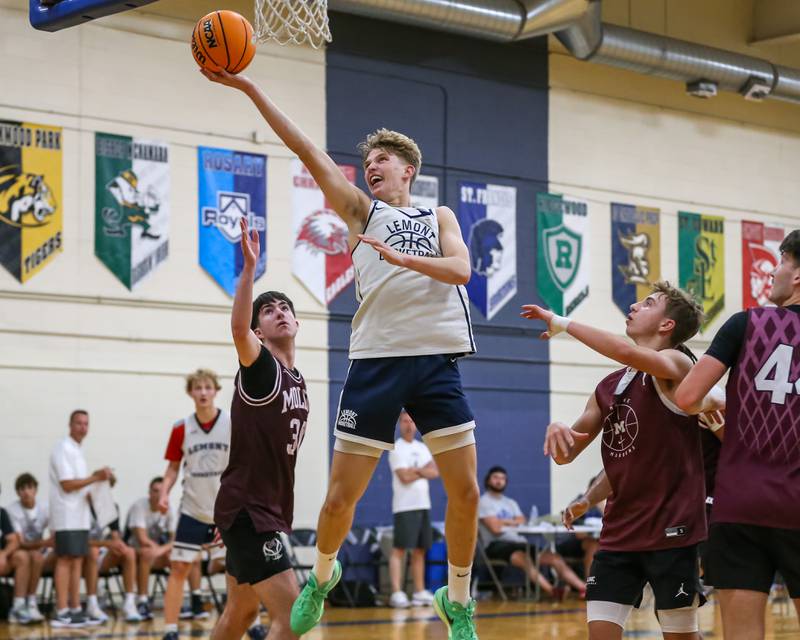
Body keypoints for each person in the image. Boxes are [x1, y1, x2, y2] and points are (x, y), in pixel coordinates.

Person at [203, 67, 481, 640]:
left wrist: (405, 261)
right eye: (368, 160)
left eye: (382, 159)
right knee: (338, 499)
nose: (371, 166)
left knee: (467, 491)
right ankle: (321, 581)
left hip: (435, 362)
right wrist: (253, 87)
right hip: (376, 362)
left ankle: (458, 602)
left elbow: (461, 270)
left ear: (409, 169)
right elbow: (307, 149)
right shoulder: (361, 212)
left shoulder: (440, 216)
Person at [523, 281, 724, 640]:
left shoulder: (679, 363)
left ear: (667, 325)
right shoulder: (608, 388)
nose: (634, 305)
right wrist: (559, 433)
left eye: (648, 303)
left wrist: (562, 322)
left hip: (672, 529)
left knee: (680, 635)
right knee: (600, 632)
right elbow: (570, 455)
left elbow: (623, 352)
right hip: (619, 532)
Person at [676, 229, 800, 639]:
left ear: (797, 274)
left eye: (781, 262)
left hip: (739, 506)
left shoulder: (746, 323)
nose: (775, 272)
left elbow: (688, 396)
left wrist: (726, 404)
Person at [210, 217, 309, 640]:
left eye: (284, 307)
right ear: (258, 332)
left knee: (241, 613)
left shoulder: (298, 380)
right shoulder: (261, 369)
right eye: (268, 311)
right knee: (295, 617)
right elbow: (236, 329)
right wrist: (249, 270)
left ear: (296, 322)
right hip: (252, 513)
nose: (279, 313)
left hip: (254, 509)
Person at [159, 369, 231, 640]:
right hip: (192, 509)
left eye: (207, 387)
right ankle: (170, 629)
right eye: (197, 388)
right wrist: (165, 492)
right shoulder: (181, 428)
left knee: (236, 569)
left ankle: (249, 622)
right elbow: (172, 469)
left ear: (215, 391)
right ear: (190, 392)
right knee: (179, 567)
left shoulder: (231, 422)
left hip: (224, 513)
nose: (203, 392)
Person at [49, 409, 114, 628]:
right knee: (66, 559)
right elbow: (67, 485)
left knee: (77, 559)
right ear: (70, 424)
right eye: (79, 423)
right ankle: (61, 610)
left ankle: (75, 608)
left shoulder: (78, 450)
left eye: (86, 423)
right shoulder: (62, 448)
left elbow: (81, 485)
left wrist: (100, 482)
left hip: (80, 516)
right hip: (66, 515)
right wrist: (95, 477)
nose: (83, 427)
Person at [478, 466, 586, 598]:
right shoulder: (483, 502)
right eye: (495, 477)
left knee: (554, 558)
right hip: (497, 545)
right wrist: (512, 520)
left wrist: (503, 521)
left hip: (519, 542)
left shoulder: (510, 502)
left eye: (502, 478)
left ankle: (584, 588)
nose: (499, 481)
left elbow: (522, 520)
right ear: (488, 480)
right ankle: (553, 591)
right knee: (524, 557)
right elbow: (495, 529)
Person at [388, 410, 439, 608]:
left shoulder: (423, 447)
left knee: (420, 550)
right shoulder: (395, 448)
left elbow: (435, 471)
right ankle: (397, 592)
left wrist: (415, 470)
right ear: (399, 423)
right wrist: (422, 471)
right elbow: (404, 477)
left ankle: (419, 591)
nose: (409, 425)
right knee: (399, 549)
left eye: (412, 421)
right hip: (404, 506)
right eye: (405, 421)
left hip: (423, 504)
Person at [84, 501, 141, 623]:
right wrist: (106, 543)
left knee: (129, 552)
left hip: (100, 553)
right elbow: (78, 540)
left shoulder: (111, 507)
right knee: (93, 551)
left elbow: (116, 537)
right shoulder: (80, 507)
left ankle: (129, 603)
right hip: (80, 556)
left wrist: (118, 544)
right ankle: (92, 603)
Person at [126, 476, 174, 619]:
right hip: (134, 551)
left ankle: (178, 601)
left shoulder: (169, 508)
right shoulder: (139, 506)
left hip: (155, 552)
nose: (158, 494)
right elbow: (142, 539)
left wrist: (161, 550)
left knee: (176, 557)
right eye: (155, 491)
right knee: (147, 553)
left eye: (161, 491)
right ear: (149, 492)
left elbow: (175, 540)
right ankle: (142, 600)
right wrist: (159, 549)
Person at [6, 473, 52, 623]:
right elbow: (21, 543)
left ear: (36, 490)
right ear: (17, 492)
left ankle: (32, 603)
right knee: (31, 556)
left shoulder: (45, 507)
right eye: (22, 489)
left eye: (29, 487)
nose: (26, 491)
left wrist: (51, 541)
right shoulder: (12, 510)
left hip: (39, 549)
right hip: (23, 550)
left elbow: (54, 535)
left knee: (66, 554)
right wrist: (45, 543)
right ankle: (19, 605)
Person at [557, 473, 608, 581]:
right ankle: (590, 583)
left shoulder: (608, 503)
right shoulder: (580, 501)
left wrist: (602, 506)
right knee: (593, 546)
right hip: (572, 541)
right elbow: (574, 527)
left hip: (601, 541)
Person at [0, 484, 34, 624]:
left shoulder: (1, 513)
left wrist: (3, 554)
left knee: (22, 557)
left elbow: (13, 541)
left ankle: (18, 606)